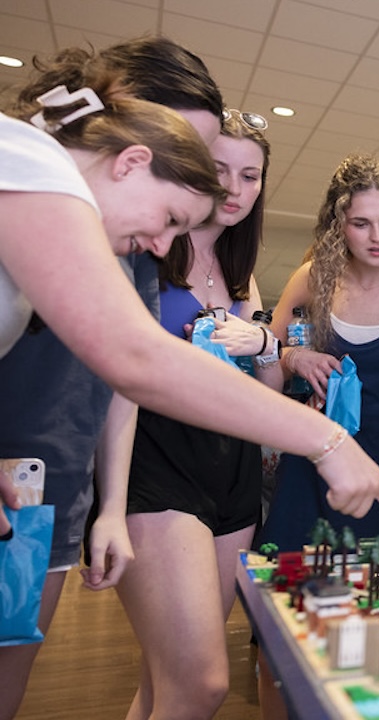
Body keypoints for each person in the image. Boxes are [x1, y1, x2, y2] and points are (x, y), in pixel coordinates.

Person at [0, 43, 379, 718]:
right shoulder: (29, 163)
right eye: (170, 213)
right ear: (133, 155)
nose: (163, 247)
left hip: (60, 487)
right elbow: (138, 359)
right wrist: (327, 441)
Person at [114, 109, 281, 720]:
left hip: (232, 468)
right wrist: (107, 506)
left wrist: (264, 344)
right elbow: (119, 380)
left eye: (250, 176)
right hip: (157, 461)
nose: (234, 189)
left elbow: (266, 391)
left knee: (165, 681)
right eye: (219, 170)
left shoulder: (242, 275)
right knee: (201, 684)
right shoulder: (147, 251)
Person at [259, 154, 379, 552]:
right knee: (291, 585)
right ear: (338, 226)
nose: (377, 237)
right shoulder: (313, 279)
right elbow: (264, 373)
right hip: (313, 472)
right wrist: (292, 357)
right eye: (361, 224)